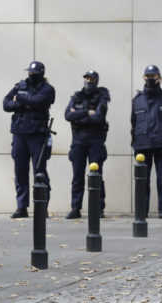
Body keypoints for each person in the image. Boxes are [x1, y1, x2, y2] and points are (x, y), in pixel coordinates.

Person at [3, 61, 55, 218]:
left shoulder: (47, 89)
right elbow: (6, 104)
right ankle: (21, 207)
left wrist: (19, 99)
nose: (31, 75)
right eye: (29, 72)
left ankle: (42, 206)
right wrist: (24, 101)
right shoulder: (20, 85)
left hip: (37, 135)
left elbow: (38, 102)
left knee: (40, 172)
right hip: (19, 134)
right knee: (20, 172)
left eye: (34, 73)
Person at [131, 65, 162, 219]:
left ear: (159, 77)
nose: (151, 78)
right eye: (148, 76)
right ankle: (142, 211)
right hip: (143, 144)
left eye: (154, 76)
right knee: (143, 180)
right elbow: (133, 122)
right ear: (144, 78)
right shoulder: (137, 100)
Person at [64, 70, 109, 219]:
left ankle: (98, 208)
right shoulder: (77, 96)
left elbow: (98, 117)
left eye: (91, 78)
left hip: (95, 141)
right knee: (77, 176)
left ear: (96, 80)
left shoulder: (102, 97)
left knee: (96, 175)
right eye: (86, 78)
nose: (88, 81)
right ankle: (75, 208)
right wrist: (86, 112)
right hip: (78, 142)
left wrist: (78, 114)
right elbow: (67, 115)